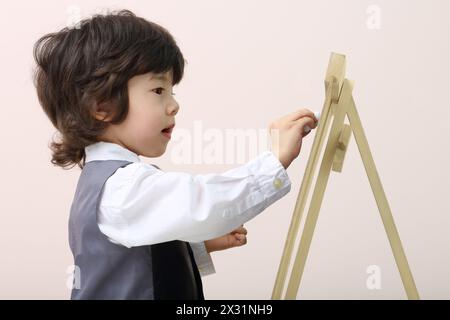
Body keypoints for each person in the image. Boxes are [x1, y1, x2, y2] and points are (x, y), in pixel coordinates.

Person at [32, 9, 318, 300]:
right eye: (158, 90)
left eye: (172, 92)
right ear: (102, 105)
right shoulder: (122, 187)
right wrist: (275, 160)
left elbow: (139, 253)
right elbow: (203, 202)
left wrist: (192, 245)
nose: (173, 106)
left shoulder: (115, 184)